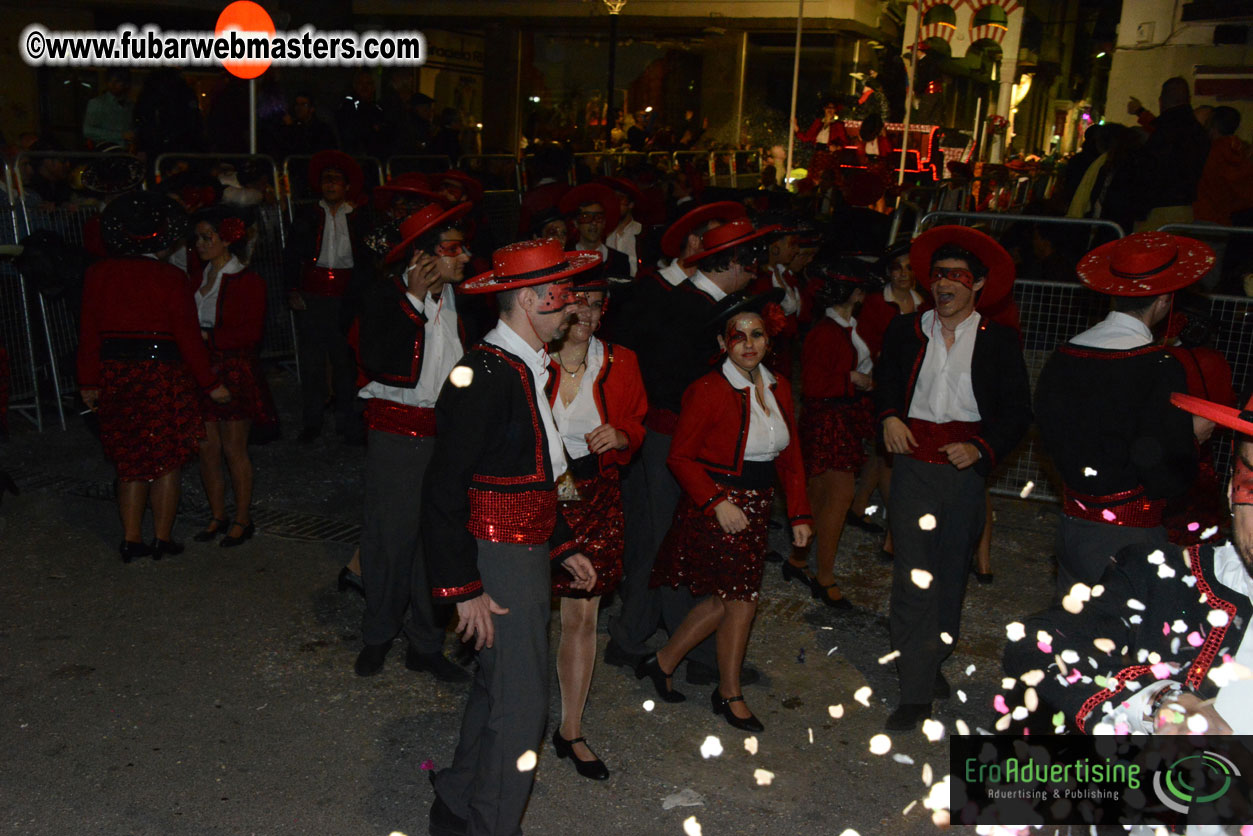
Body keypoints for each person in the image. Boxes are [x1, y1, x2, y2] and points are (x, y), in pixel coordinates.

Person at [422, 238, 598, 836]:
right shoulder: (485, 374)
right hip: (494, 559)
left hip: (519, 552)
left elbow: (532, 474)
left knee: (499, 686)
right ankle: (491, 825)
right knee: (522, 707)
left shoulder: (524, 366)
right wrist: (463, 587)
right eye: (562, 295)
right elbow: (444, 490)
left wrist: (561, 542)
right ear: (529, 299)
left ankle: (458, 793)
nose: (571, 307)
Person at [1004, 390, 1253, 736]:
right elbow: (1039, 641)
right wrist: (1161, 701)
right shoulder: (1162, 576)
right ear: (1230, 491)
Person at [604, 215, 777, 689]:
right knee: (668, 542)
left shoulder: (691, 301)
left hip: (672, 437)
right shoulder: (694, 309)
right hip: (674, 440)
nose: (757, 270)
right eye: (753, 261)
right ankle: (647, 639)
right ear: (735, 263)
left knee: (670, 542)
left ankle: (657, 639)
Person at [876, 225, 1031, 730]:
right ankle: (915, 687)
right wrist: (888, 416)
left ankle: (932, 653)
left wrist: (981, 447)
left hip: (964, 474)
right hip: (913, 468)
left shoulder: (998, 340)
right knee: (912, 576)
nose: (944, 285)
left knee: (950, 575)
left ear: (978, 285)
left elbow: (1016, 412)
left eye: (957, 277)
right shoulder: (905, 330)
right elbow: (883, 386)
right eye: (938, 276)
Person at [645, 291, 812, 730]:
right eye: (737, 336)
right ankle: (729, 691)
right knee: (740, 601)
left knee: (728, 601)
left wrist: (799, 514)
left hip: (757, 508)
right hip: (718, 507)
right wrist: (718, 503)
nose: (748, 343)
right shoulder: (707, 389)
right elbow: (679, 457)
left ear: (769, 340)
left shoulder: (780, 387)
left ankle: (662, 661)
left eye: (757, 334)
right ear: (723, 343)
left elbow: (790, 458)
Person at [1034, 231, 1211, 596]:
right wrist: (1190, 437)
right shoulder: (1157, 365)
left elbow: (1048, 434)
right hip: (1129, 536)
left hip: (1072, 523)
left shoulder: (1064, 355)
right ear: (1163, 300)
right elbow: (1165, 473)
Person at [352, 201, 475, 681]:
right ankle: (379, 634)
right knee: (389, 541)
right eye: (453, 249)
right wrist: (411, 302)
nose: (465, 257)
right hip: (397, 438)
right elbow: (376, 356)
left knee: (437, 544)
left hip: (445, 439)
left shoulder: (460, 302)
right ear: (423, 258)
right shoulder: (384, 297)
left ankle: (425, 643)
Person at [77, 193, 230, 561]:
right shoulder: (171, 277)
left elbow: (88, 333)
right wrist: (210, 384)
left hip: (117, 374)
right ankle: (162, 538)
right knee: (167, 458)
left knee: (129, 460)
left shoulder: (98, 273)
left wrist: (87, 383)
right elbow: (188, 338)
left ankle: (131, 539)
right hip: (163, 374)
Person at [546, 277, 647, 781]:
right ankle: (508, 712)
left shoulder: (622, 360)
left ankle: (570, 729)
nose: (586, 311)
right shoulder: (532, 356)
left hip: (596, 498)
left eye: (596, 304)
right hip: (534, 498)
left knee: (581, 619)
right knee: (516, 611)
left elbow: (639, 423)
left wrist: (623, 433)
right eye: (577, 301)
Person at [785, 258, 880, 608]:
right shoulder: (827, 331)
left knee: (819, 495)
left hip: (840, 418)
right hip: (829, 420)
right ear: (856, 294)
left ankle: (798, 561)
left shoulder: (848, 326)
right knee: (836, 498)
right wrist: (853, 379)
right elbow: (813, 385)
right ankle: (824, 575)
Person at [189, 211, 267, 548]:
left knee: (234, 448)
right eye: (198, 238)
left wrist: (210, 339)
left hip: (233, 368)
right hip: (202, 367)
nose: (200, 244)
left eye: (208, 237)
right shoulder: (199, 275)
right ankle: (218, 514)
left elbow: (251, 332)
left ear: (226, 240)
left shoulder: (247, 280)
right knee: (207, 448)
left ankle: (242, 517)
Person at [283, 151, 370, 444]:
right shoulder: (308, 216)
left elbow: (367, 261)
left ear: (347, 186)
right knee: (311, 362)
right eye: (326, 180)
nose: (330, 185)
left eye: (336, 181)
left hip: (346, 297)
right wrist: (293, 289)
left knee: (345, 361)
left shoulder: (359, 218)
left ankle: (347, 423)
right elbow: (291, 256)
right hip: (313, 295)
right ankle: (313, 422)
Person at [1130, 77, 1211, 231]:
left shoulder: (1163, 132)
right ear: (1189, 99)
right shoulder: (1198, 132)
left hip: (1158, 210)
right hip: (1187, 209)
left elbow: (1150, 173)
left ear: (1161, 101)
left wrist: (1139, 211)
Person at [83, 69, 134, 150]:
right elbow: (88, 131)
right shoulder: (97, 103)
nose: (112, 85)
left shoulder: (130, 105)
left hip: (126, 151)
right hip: (105, 151)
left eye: (117, 81)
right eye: (110, 81)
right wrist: (120, 136)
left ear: (126, 84)